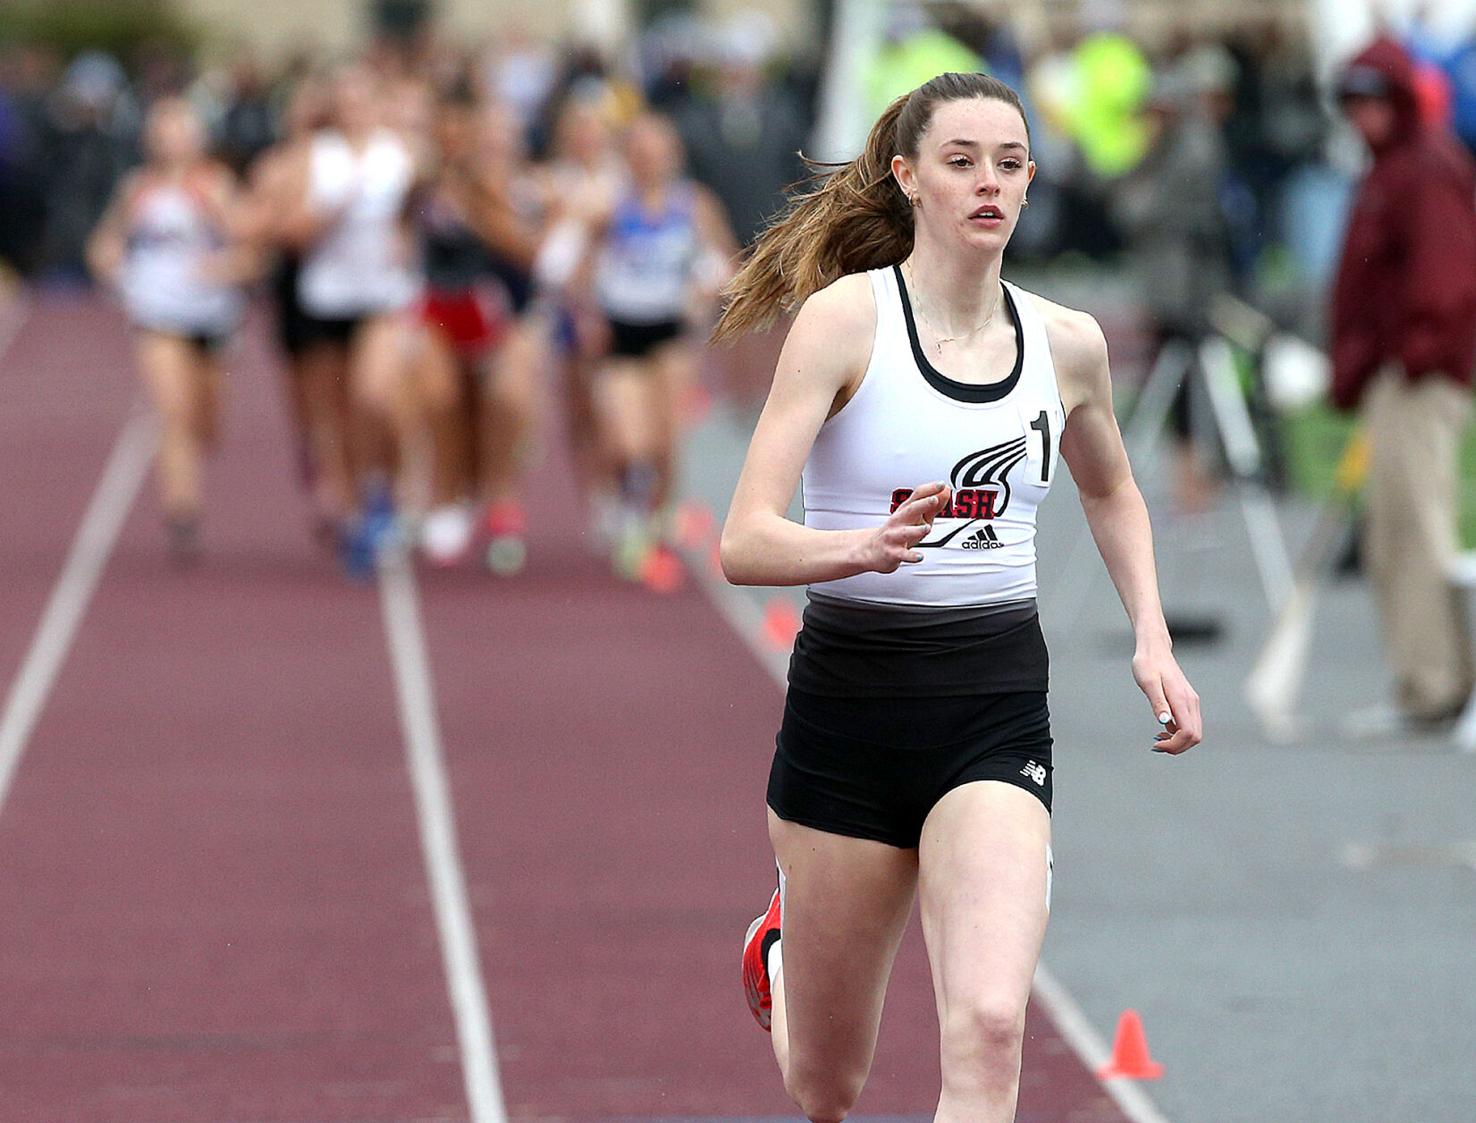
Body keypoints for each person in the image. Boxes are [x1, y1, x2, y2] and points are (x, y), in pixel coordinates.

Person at [713, 72, 1202, 1121]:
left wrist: (1152, 639)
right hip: (850, 712)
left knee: (987, 1021)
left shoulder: (1068, 343)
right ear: (908, 177)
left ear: (1031, 184)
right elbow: (743, 541)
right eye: (962, 161)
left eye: (1011, 163)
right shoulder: (846, 322)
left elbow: (1112, 488)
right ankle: (786, 946)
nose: (990, 182)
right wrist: (859, 549)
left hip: (992, 711)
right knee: (827, 1083)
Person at [1330, 36, 1476, 728]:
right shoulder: (1393, 169)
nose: (1362, 115)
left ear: (1397, 100)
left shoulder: (1425, 167)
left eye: (1372, 100)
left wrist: (1411, 356)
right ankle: (1422, 681)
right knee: (1392, 534)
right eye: (1352, 102)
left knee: (1419, 529)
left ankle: (1437, 686)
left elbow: (1448, 282)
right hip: (1396, 374)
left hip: (1421, 377)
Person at [87, 96, 250, 563]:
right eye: (163, 131)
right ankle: (182, 510)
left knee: (207, 421)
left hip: (212, 315)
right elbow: (106, 239)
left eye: (181, 130)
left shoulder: (216, 186)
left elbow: (249, 248)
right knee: (172, 409)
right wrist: (106, 257)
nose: (172, 140)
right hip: (156, 311)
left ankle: (190, 473)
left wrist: (225, 266)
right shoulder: (137, 187)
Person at [580, 111, 736, 582]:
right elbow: (579, 267)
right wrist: (586, 314)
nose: (648, 162)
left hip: (669, 331)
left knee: (667, 440)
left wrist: (707, 289)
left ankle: (655, 521)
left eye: (657, 153)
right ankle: (631, 507)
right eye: (639, 154)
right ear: (628, 158)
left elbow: (725, 263)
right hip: (620, 331)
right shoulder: (610, 206)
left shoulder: (693, 205)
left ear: (673, 157)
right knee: (630, 440)